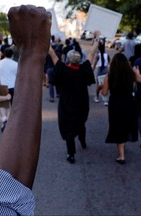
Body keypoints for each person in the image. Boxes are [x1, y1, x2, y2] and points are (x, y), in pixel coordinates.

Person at [0, 5, 51, 215]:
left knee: (4, 116)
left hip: (7, 91)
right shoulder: (14, 64)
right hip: (17, 89)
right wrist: (32, 52)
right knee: (10, 112)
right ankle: (4, 126)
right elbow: (3, 203)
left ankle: (4, 122)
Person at [48, 32, 99, 164]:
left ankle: (71, 154)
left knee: (69, 128)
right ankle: (82, 141)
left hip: (66, 104)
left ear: (68, 59)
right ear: (79, 60)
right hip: (81, 103)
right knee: (80, 123)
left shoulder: (63, 70)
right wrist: (97, 37)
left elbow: (52, 54)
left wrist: (45, 40)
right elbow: (92, 54)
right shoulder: (83, 69)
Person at [101, 53, 141, 164]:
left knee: (118, 126)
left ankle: (121, 156)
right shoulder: (131, 74)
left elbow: (104, 93)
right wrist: (137, 73)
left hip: (115, 104)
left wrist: (101, 87)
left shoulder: (109, 76)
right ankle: (123, 145)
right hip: (130, 102)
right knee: (126, 124)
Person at [0, 48, 18, 132]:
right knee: (13, 105)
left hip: (3, 86)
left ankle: (4, 119)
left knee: (3, 105)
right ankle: (12, 122)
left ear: (4, 54)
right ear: (12, 55)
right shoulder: (16, 64)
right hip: (13, 86)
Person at [93, 37, 110, 106]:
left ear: (99, 49)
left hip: (100, 70)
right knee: (106, 84)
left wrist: (92, 71)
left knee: (99, 85)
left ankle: (97, 97)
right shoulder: (107, 55)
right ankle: (105, 100)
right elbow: (110, 63)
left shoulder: (98, 56)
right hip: (105, 70)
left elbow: (94, 65)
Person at [133, 60, 141, 148]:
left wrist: (138, 75)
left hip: (140, 93)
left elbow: (135, 78)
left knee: (140, 115)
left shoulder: (138, 61)